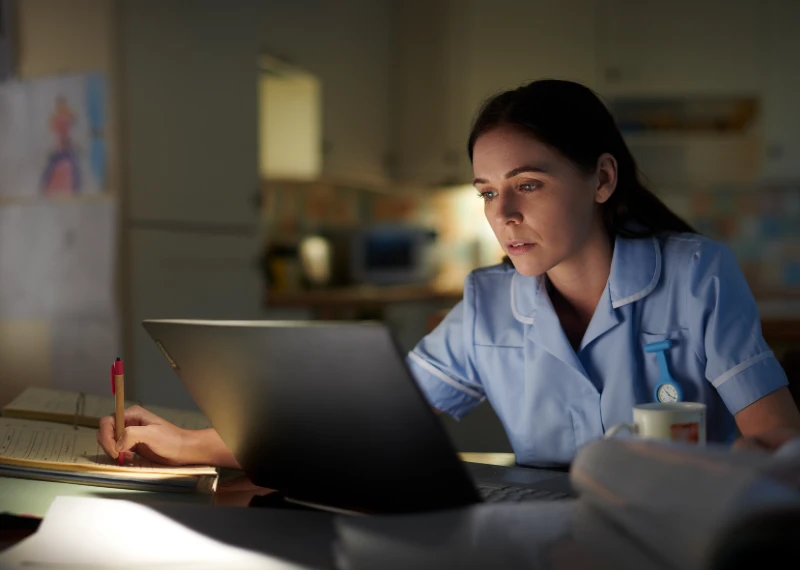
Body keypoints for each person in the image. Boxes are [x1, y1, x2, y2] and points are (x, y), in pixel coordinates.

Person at [98, 79, 800, 468]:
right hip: (543, 549)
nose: (503, 213)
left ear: (602, 179)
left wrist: (715, 501)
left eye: (528, 184)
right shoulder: (489, 306)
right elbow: (362, 422)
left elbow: (775, 437)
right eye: (488, 191)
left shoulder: (699, 274)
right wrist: (194, 445)